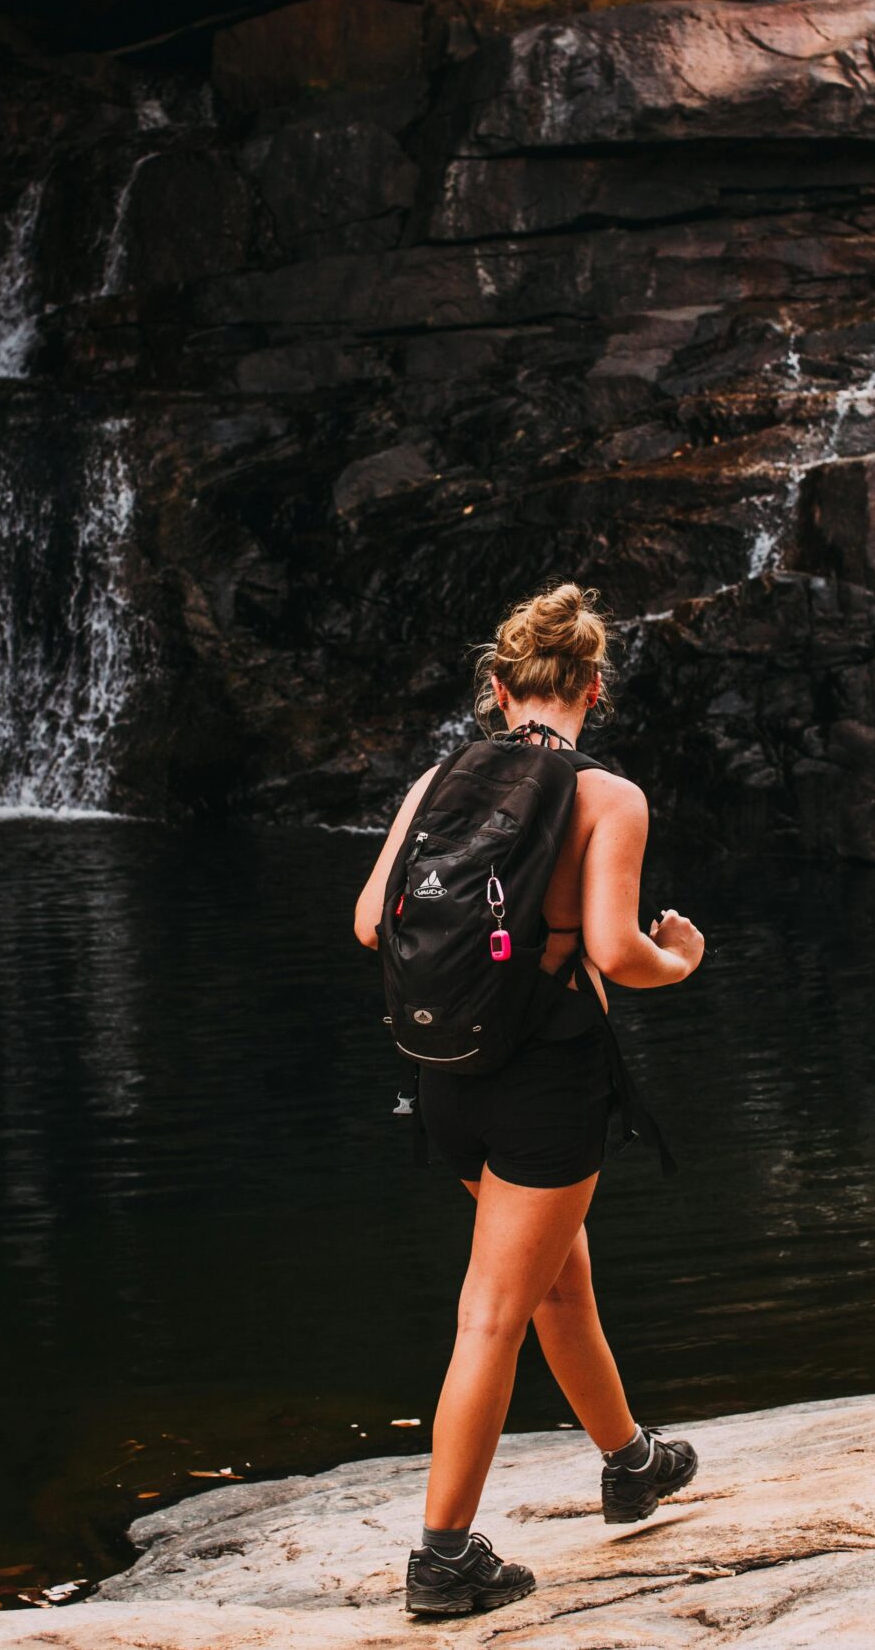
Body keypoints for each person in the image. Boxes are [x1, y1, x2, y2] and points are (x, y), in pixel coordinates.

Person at [353, 582, 708, 1617]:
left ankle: (632, 1460)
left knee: (558, 1279)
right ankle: (444, 1558)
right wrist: (679, 962)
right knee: (495, 1311)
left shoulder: (436, 781)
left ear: (500, 688)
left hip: (449, 1070)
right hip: (549, 1078)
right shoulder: (610, 798)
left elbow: (372, 922)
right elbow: (612, 952)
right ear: (593, 688)